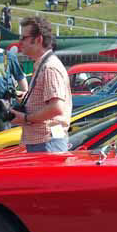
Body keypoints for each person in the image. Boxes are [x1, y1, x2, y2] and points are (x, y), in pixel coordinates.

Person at [9, 17, 71, 152]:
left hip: (47, 142)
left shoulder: (49, 67)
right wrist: (27, 98)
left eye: (23, 38)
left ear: (38, 40)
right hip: (44, 141)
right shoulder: (43, 65)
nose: (20, 42)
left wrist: (25, 118)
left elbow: (56, 108)